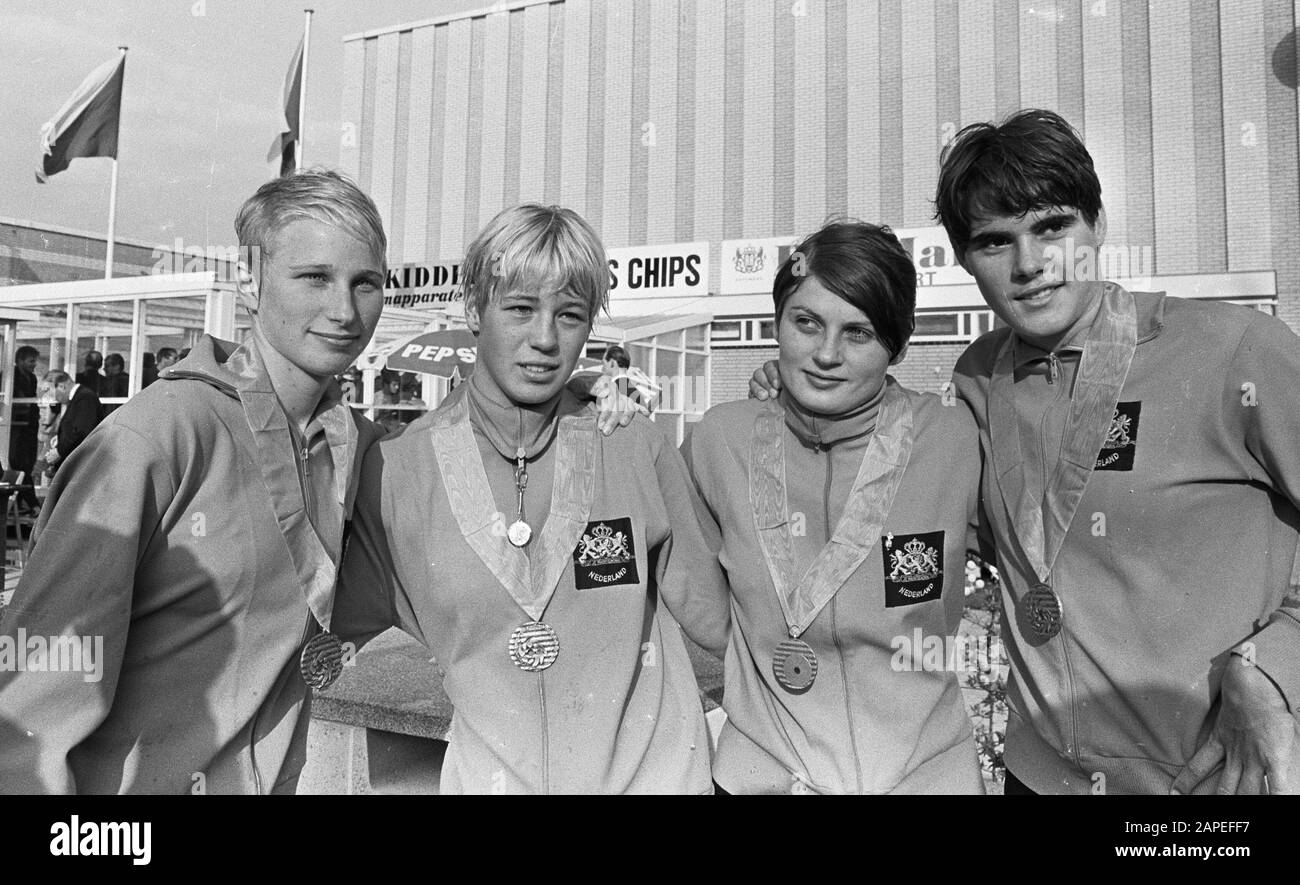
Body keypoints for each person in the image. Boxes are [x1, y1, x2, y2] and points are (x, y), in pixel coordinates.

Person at [752, 109, 1300, 795]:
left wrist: (1273, 666)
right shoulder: (978, 379)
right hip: (1040, 778)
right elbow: (933, 514)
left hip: (1210, 782)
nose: (1031, 264)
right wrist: (798, 402)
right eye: (994, 241)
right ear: (964, 257)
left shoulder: (1233, 350)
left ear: (1096, 226)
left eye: (1052, 226)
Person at [0, 169, 390, 794]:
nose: (343, 310)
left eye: (365, 283)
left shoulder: (357, 445)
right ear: (250, 280)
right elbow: (32, 703)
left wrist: (590, 410)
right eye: (313, 277)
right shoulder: (156, 438)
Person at [333, 203, 730, 794]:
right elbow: (309, 629)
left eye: (569, 316)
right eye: (519, 309)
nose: (544, 339)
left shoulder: (630, 444)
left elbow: (725, 620)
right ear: (474, 308)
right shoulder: (397, 472)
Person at [687, 221, 983, 794]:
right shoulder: (720, 440)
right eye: (807, 323)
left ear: (897, 343)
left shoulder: (953, 440)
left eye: (858, 333)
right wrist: (587, 396)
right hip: (763, 776)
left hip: (925, 777)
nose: (825, 354)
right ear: (777, 322)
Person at [40, 370, 100, 475]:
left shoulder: (85, 398)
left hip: (82, 465)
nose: (53, 399)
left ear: (62, 386)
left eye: (52, 394)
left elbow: (81, 430)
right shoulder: (76, 399)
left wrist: (59, 451)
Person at [8, 346, 41, 512]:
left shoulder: (32, 378)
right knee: (19, 463)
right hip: (15, 427)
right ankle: (33, 504)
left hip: (29, 427)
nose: (34, 364)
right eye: (31, 360)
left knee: (28, 464)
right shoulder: (10, 376)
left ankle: (22, 504)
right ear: (19, 360)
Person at [101, 353, 129, 417]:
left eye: (107, 366)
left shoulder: (114, 381)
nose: (104, 369)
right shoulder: (128, 380)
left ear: (117, 366)